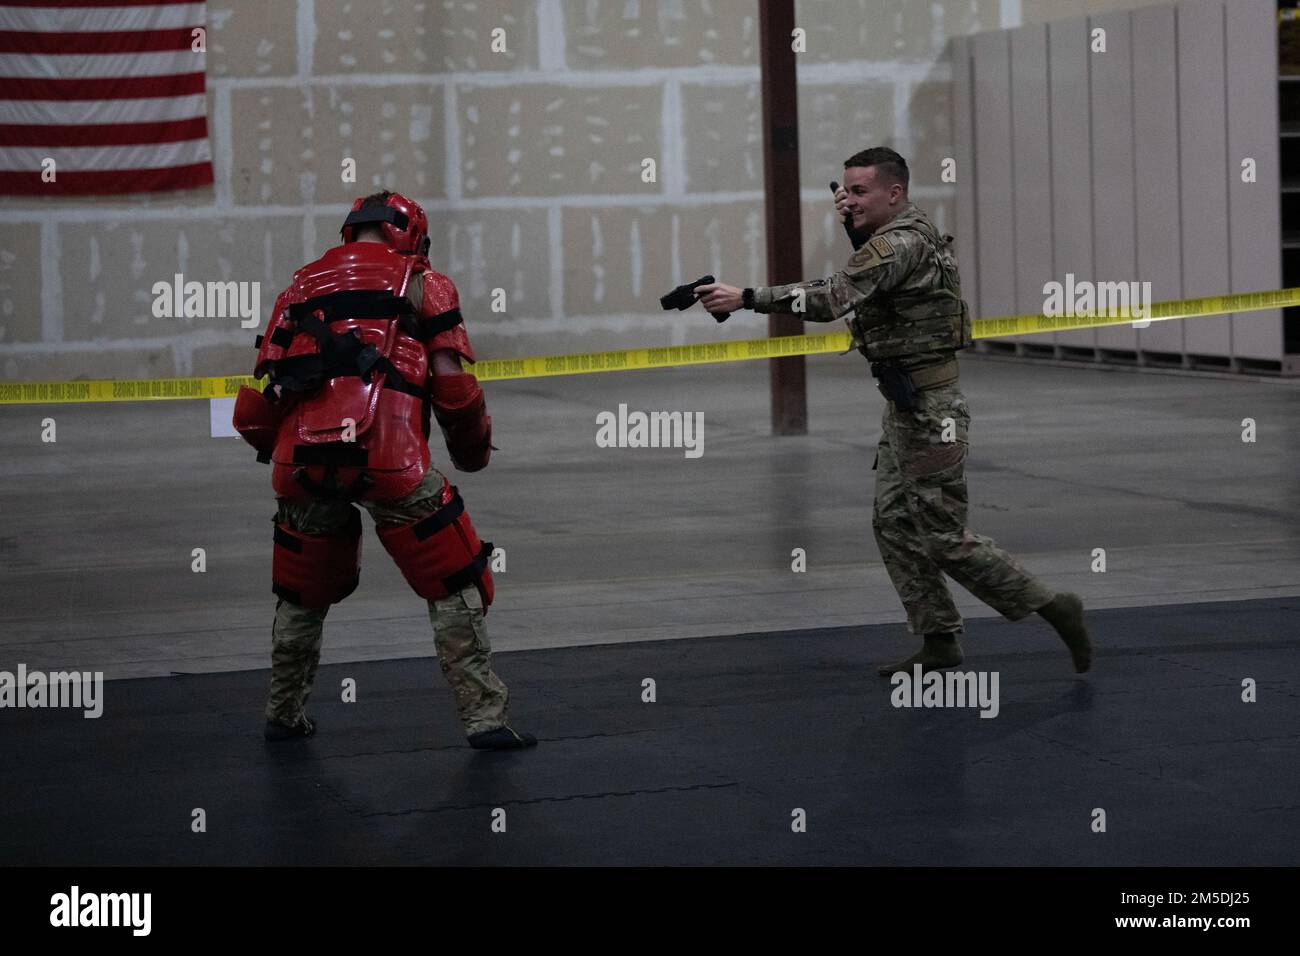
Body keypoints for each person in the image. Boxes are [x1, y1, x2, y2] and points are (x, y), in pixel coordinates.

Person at [697, 147, 1091, 677]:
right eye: (845, 190)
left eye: (860, 192)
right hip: (907, 406)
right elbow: (874, 286)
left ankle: (1051, 604)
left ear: (895, 193)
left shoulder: (898, 242)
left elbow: (835, 297)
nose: (848, 200)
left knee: (945, 538)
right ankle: (939, 639)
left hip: (931, 411)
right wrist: (857, 231)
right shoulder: (895, 237)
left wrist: (746, 298)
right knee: (893, 523)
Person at [233, 190, 537, 747]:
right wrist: (473, 453)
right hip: (390, 459)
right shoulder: (425, 282)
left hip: (302, 461)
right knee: (454, 577)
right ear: (411, 233)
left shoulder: (299, 286)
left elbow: (263, 393)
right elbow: (453, 386)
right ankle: (485, 720)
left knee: (301, 592)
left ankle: (282, 712)